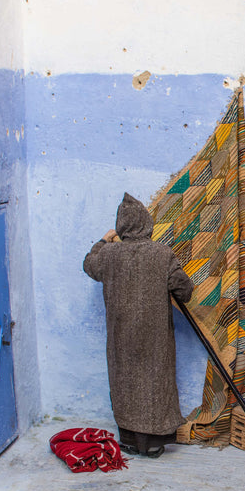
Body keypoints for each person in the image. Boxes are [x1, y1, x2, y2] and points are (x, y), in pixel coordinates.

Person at [83, 192, 194, 457]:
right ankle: (153, 443)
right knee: (154, 383)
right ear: (146, 224)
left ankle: (130, 440)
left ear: (122, 226)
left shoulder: (108, 255)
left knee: (125, 383)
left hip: (121, 335)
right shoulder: (161, 253)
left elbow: (89, 265)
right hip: (154, 336)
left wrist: (103, 240)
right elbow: (184, 290)